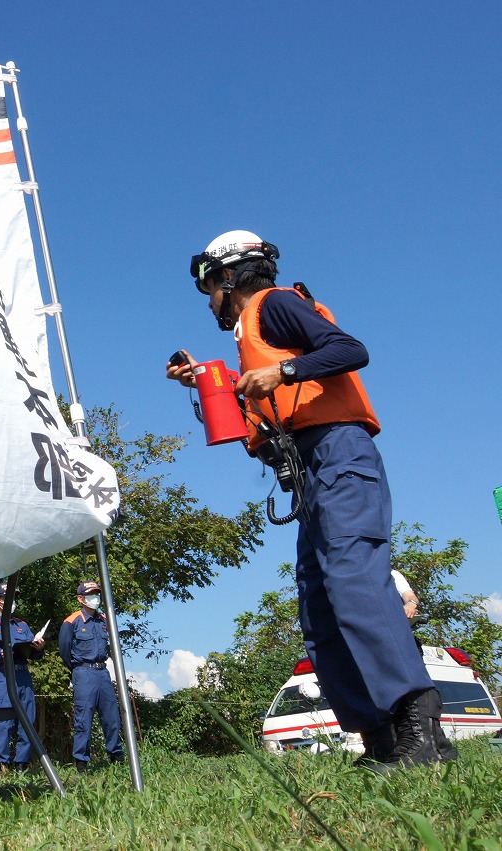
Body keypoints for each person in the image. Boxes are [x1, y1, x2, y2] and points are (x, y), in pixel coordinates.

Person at [166, 230, 447, 772]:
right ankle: (381, 739)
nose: (209, 302)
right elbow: (266, 416)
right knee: (319, 604)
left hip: (340, 453)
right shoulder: (254, 337)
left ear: (228, 276)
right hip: (311, 470)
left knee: (353, 581)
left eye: (209, 287)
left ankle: (419, 725)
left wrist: (284, 370)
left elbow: (349, 349)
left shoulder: (277, 305)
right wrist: (202, 385)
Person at [0, 582, 45, 771]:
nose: (12, 602)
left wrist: (39, 648)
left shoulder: (22, 625)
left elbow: (34, 653)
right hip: (4, 675)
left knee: (27, 720)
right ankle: (0, 763)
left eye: (14, 598)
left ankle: (22, 763)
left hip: (24, 675)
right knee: (4, 721)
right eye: (8, 598)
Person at [58, 580, 123, 772]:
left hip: (103, 672)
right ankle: (82, 762)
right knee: (83, 719)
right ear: (80, 599)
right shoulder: (72, 621)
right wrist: (77, 670)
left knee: (112, 717)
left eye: (97, 594)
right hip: (83, 672)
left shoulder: (104, 620)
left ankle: (116, 757)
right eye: (90, 595)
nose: (95, 598)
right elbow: (64, 650)